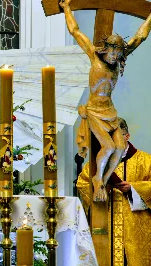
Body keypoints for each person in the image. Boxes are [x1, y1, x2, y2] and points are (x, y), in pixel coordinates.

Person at [60, 0, 151, 201]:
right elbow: (75, 31)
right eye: (112, 53)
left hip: (110, 110)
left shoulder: (119, 57)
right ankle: (98, 179)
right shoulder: (94, 55)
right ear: (106, 49)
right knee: (108, 147)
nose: (114, 58)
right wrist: (66, 8)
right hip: (94, 109)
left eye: (118, 55)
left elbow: (140, 36)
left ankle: (103, 178)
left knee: (119, 147)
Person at [77, 118, 151, 266]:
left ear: (127, 136)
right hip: (104, 228)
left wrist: (133, 189)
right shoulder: (95, 163)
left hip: (135, 230)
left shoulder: (146, 161)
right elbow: (82, 184)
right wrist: (100, 187)